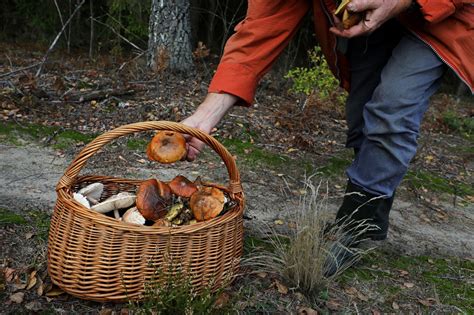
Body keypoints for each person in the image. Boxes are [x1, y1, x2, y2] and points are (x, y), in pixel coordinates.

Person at [181, 0, 474, 273]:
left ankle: (354, 224)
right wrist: (206, 117)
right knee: (362, 118)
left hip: (441, 21)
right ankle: (372, 217)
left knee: (391, 109)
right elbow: (261, 28)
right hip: (366, 22)